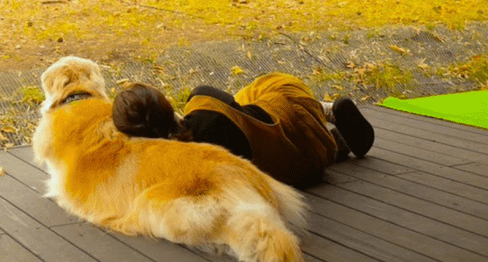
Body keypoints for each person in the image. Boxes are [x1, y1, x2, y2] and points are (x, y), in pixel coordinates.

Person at [112, 73, 375, 189]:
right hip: (302, 135)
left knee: (242, 118)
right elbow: (230, 111)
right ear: (165, 104)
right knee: (255, 91)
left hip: (300, 173)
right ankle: (328, 111)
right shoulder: (203, 104)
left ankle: (335, 142)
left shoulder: (168, 170)